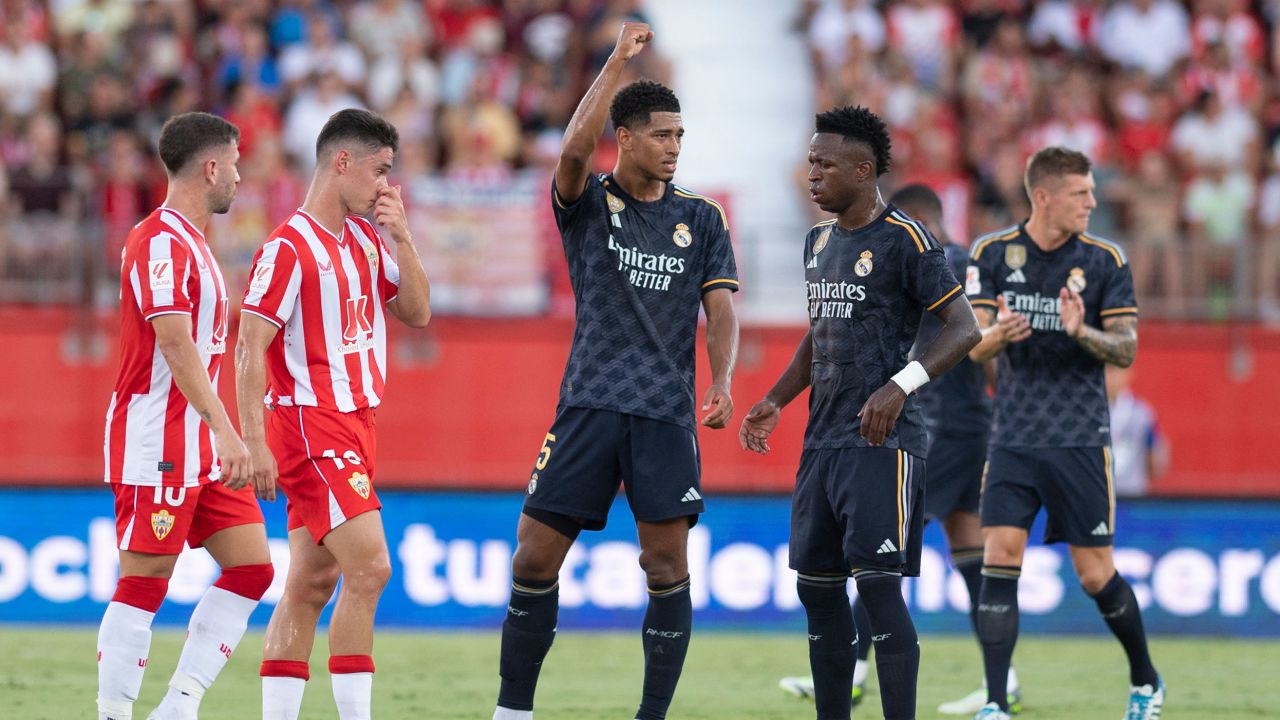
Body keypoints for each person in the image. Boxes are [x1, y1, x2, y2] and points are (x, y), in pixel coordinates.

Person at [492, 22, 740, 720]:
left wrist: (720, 380)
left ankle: (651, 715)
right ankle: (513, 711)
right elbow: (572, 149)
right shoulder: (590, 203)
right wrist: (611, 66)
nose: (673, 148)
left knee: (666, 568)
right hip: (590, 405)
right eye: (662, 135)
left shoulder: (704, 220)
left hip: (664, 412)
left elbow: (720, 309)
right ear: (625, 137)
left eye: (680, 137)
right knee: (532, 560)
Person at [741, 106, 981, 720]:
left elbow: (965, 327)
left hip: (884, 442)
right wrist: (774, 399)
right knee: (817, 591)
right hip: (822, 442)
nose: (811, 173)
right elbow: (820, 333)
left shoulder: (907, 239)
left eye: (823, 163)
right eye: (810, 161)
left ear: (863, 169)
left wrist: (901, 385)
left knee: (877, 590)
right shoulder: (817, 240)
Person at [778, 183, 1021, 715]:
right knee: (966, 556)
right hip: (951, 425)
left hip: (938, 427)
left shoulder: (934, 253)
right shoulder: (844, 245)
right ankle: (1003, 685)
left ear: (920, 220)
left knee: (877, 565)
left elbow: (973, 330)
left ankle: (864, 672)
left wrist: (904, 383)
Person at [234, 108, 431, 720]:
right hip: (310, 424)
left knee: (312, 583)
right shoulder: (287, 247)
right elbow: (251, 345)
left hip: (357, 425)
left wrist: (403, 235)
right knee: (371, 567)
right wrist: (252, 440)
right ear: (341, 162)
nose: (385, 187)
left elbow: (419, 313)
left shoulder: (369, 238)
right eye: (379, 171)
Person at [965, 146, 1162, 720]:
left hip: (1079, 437)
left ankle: (1145, 681)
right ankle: (997, 703)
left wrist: (1083, 333)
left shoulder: (1104, 260)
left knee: (1094, 572)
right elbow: (972, 343)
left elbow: (1125, 348)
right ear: (1044, 196)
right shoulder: (992, 254)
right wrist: (999, 334)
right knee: (999, 555)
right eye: (1082, 194)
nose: (1093, 202)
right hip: (1013, 437)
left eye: (1091, 192)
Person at [97, 112, 275, 720]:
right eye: (234, 162)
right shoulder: (158, 241)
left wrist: (223, 431)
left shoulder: (195, 244)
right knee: (146, 579)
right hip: (158, 438)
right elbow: (174, 344)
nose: (239, 175)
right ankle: (113, 713)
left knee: (252, 566)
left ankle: (178, 705)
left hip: (200, 439)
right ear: (210, 167)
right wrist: (228, 429)